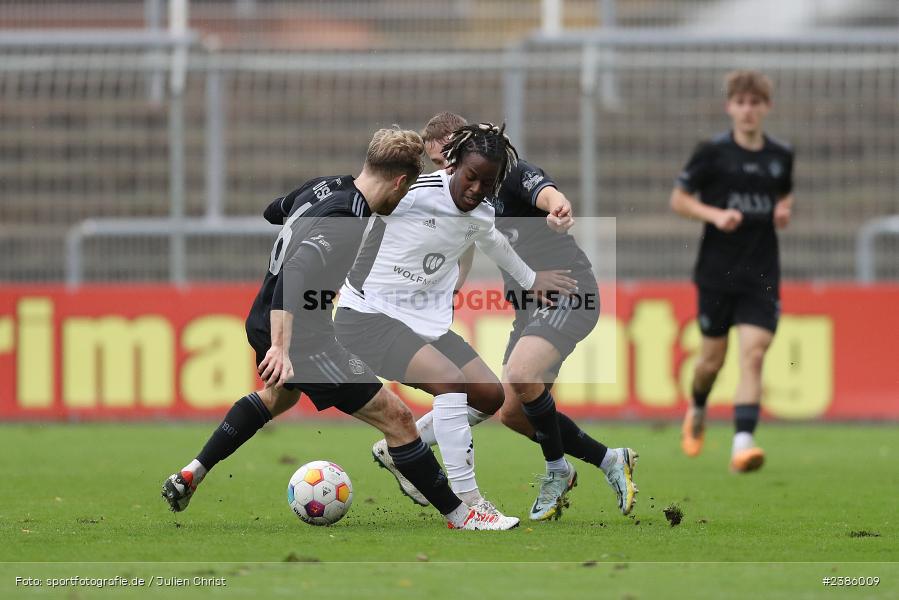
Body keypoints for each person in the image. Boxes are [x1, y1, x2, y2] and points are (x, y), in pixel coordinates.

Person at [161, 126, 518, 530]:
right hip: (302, 337)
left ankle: (192, 472)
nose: (405, 199)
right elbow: (296, 272)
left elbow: (275, 211)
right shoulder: (349, 217)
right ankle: (461, 514)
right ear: (400, 181)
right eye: (406, 190)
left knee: (276, 399)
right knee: (398, 419)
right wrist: (282, 347)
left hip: (260, 318)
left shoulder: (323, 188)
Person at [374, 112, 638, 522]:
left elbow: (546, 191)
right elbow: (465, 247)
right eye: (440, 164)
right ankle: (609, 460)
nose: (445, 170)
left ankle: (556, 470)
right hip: (529, 306)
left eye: (446, 159)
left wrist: (558, 209)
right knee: (514, 412)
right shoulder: (462, 195)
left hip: (566, 290)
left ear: (460, 147)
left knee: (519, 372)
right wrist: (451, 287)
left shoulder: (508, 173)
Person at [334, 123, 575, 516]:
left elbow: (493, 241)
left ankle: (400, 453)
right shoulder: (411, 192)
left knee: (489, 395)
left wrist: (532, 279)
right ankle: (468, 503)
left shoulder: (480, 212)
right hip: (367, 316)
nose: (477, 188)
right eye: (471, 176)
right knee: (451, 382)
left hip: (419, 324)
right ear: (452, 166)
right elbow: (358, 197)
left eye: (488, 182)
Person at [670, 70, 795, 473]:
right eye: (740, 103)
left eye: (755, 103)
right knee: (710, 363)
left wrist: (783, 208)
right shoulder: (712, 153)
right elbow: (679, 199)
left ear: (766, 108)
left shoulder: (780, 155)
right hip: (717, 273)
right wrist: (715, 214)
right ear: (730, 107)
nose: (747, 110)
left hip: (761, 274)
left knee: (753, 356)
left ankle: (743, 442)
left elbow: (785, 190)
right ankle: (699, 407)